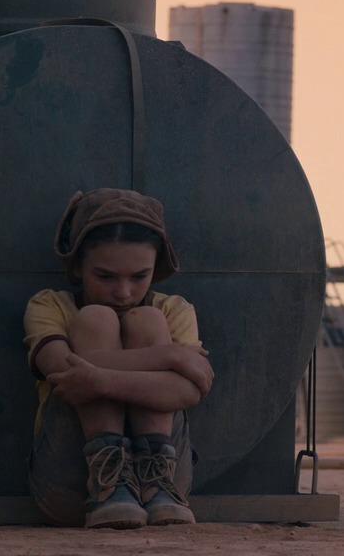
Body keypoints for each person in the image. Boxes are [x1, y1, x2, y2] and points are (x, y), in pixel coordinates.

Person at [24, 188, 214, 528]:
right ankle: (107, 484)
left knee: (148, 320)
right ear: (78, 266)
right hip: (70, 483)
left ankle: (155, 479)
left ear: (155, 269)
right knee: (96, 319)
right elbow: (63, 372)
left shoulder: (173, 310)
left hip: (168, 494)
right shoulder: (49, 305)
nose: (124, 292)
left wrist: (100, 380)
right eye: (106, 276)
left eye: (139, 276)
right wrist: (170, 356)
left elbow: (189, 391)